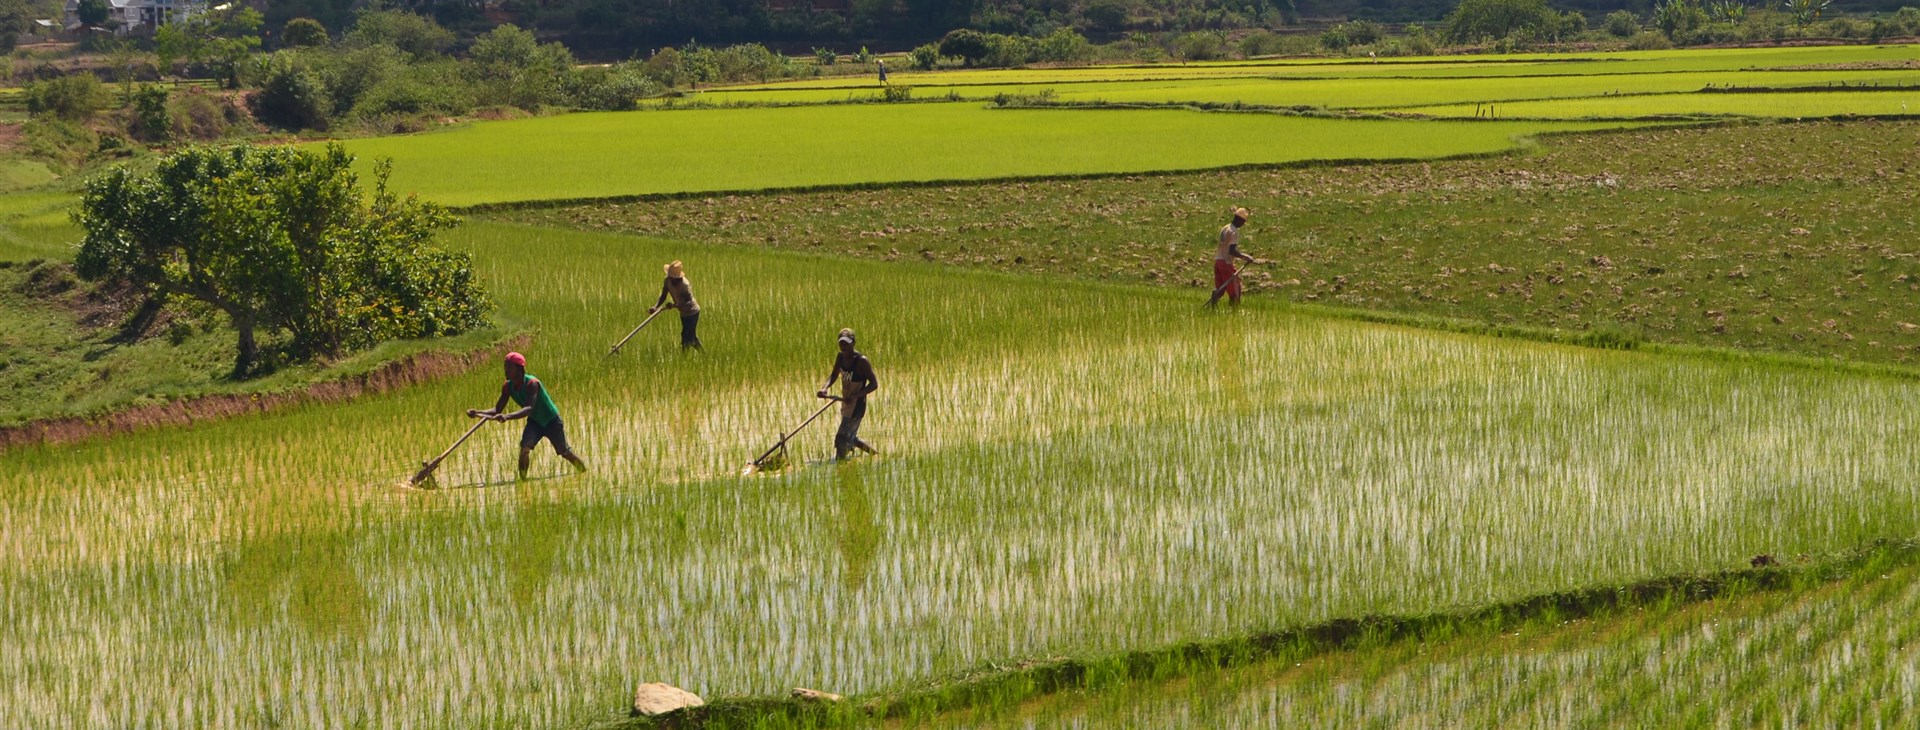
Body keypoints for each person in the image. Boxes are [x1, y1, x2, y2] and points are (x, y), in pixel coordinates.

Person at [468, 352, 588, 480]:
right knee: (524, 449)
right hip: (535, 422)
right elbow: (497, 409)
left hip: (551, 421)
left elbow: (528, 409)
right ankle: (523, 482)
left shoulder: (532, 383)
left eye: (509, 367)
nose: (506, 370)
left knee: (564, 452)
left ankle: (585, 473)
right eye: (505, 366)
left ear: (519, 369)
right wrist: (477, 413)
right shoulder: (508, 386)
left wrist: (506, 417)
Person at [817, 328, 879, 461]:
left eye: (847, 343)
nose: (844, 347)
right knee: (850, 437)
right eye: (841, 343)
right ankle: (876, 456)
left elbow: (874, 384)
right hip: (846, 402)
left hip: (857, 405)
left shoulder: (862, 361)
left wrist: (856, 396)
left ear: (853, 343)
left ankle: (842, 466)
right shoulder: (840, 357)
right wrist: (824, 388)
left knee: (841, 439)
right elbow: (834, 375)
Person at [1207, 207, 1264, 309]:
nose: (1243, 224)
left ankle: (1212, 308)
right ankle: (1234, 312)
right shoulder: (1234, 231)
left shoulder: (1225, 227)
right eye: (1243, 222)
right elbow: (1232, 250)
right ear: (1239, 219)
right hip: (1226, 263)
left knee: (1220, 289)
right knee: (1235, 291)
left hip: (1218, 261)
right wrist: (1245, 257)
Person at [649, 260, 702, 350]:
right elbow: (663, 295)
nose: (670, 278)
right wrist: (655, 307)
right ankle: (703, 354)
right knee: (691, 336)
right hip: (683, 313)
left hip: (692, 312)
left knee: (686, 335)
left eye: (672, 277)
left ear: (677, 278)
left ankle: (684, 356)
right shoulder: (667, 280)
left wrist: (674, 305)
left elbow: (689, 303)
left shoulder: (685, 285)